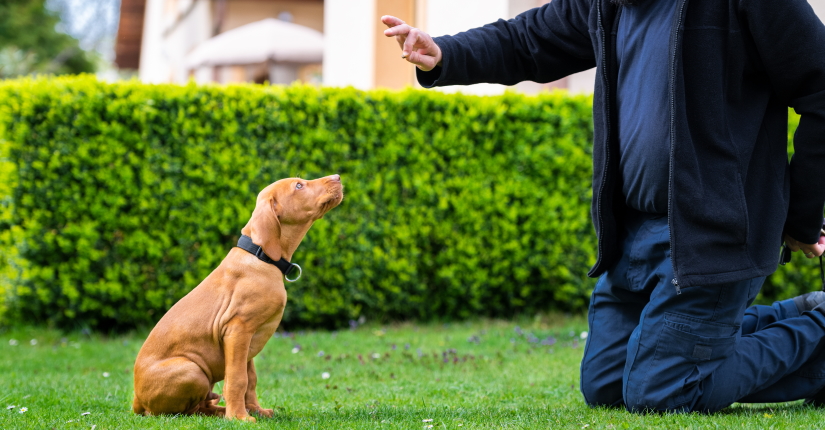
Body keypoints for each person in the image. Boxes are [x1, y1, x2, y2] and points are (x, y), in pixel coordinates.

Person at [382, 0, 825, 413]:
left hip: (715, 235)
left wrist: (801, 217)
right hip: (632, 237)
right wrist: (446, 54)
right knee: (608, 385)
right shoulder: (606, 3)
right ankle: (801, 317)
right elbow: (528, 40)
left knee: (659, 391)